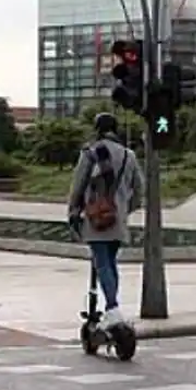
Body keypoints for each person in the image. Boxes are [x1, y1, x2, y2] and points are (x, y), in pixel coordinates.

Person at [67, 112, 143, 330]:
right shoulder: (129, 156)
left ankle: (112, 308)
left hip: (96, 217)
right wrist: (123, 209)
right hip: (117, 218)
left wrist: (73, 211)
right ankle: (112, 309)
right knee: (110, 263)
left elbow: (78, 185)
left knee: (101, 263)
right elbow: (139, 191)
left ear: (97, 128)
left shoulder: (91, 152)